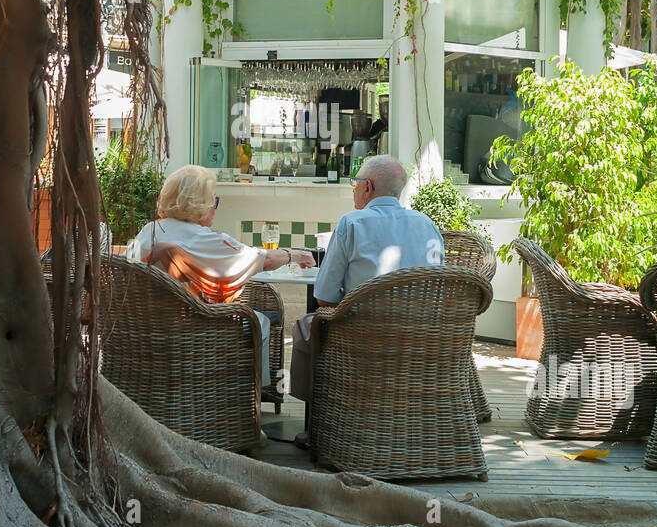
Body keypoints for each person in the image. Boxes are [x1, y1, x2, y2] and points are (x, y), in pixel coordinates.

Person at [126, 165, 313, 387]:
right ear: (199, 204)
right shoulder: (202, 238)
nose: (215, 208)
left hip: (144, 331)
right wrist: (295, 254)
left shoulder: (149, 231)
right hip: (192, 332)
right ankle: (247, 393)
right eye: (214, 201)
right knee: (259, 321)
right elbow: (264, 260)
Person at [288, 155, 445, 409]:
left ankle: (318, 420)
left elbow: (324, 297)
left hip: (362, 338)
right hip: (421, 337)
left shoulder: (351, 223)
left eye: (355, 183)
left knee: (305, 327)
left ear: (368, 187)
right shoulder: (427, 225)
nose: (354, 189)